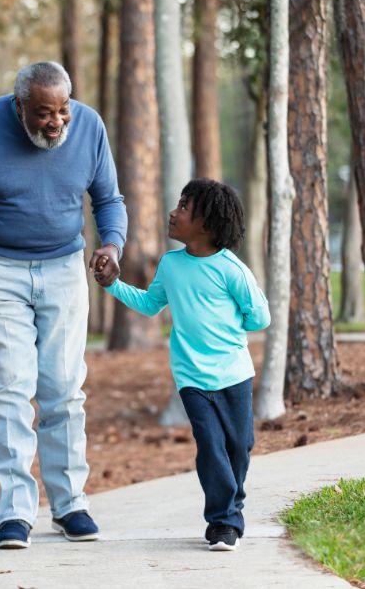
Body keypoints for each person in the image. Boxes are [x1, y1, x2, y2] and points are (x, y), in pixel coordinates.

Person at [0, 61, 126, 549]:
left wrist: (112, 245)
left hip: (62, 269)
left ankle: (70, 502)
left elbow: (108, 198)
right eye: (42, 112)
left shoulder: (90, 127)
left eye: (63, 111)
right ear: (19, 106)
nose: (55, 122)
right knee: (12, 389)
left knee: (63, 389)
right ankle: (14, 512)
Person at [95, 178, 270, 551]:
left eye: (184, 207)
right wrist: (113, 284)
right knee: (210, 446)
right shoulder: (171, 265)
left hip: (234, 373)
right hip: (191, 376)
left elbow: (260, 318)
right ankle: (223, 522)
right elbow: (149, 304)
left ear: (205, 224)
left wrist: (229, 328)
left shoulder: (231, 270)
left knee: (240, 446)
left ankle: (230, 503)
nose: (173, 212)